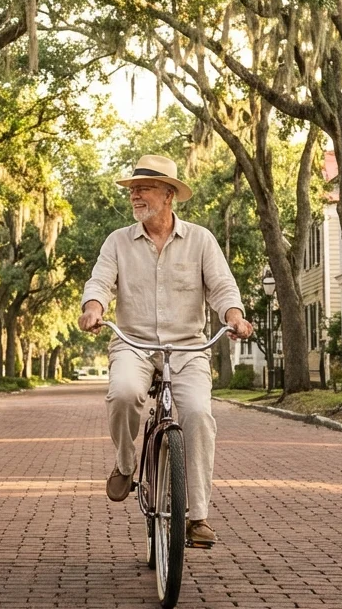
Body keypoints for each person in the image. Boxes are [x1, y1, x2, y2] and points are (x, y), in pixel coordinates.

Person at [78, 154, 254, 548]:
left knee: (198, 415)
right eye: (133, 190)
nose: (135, 195)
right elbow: (100, 282)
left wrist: (235, 316)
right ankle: (126, 464)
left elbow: (223, 287)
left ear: (169, 194)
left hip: (189, 348)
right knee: (123, 393)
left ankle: (198, 517)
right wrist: (93, 308)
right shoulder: (118, 241)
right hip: (134, 344)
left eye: (144, 188)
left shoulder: (201, 240)